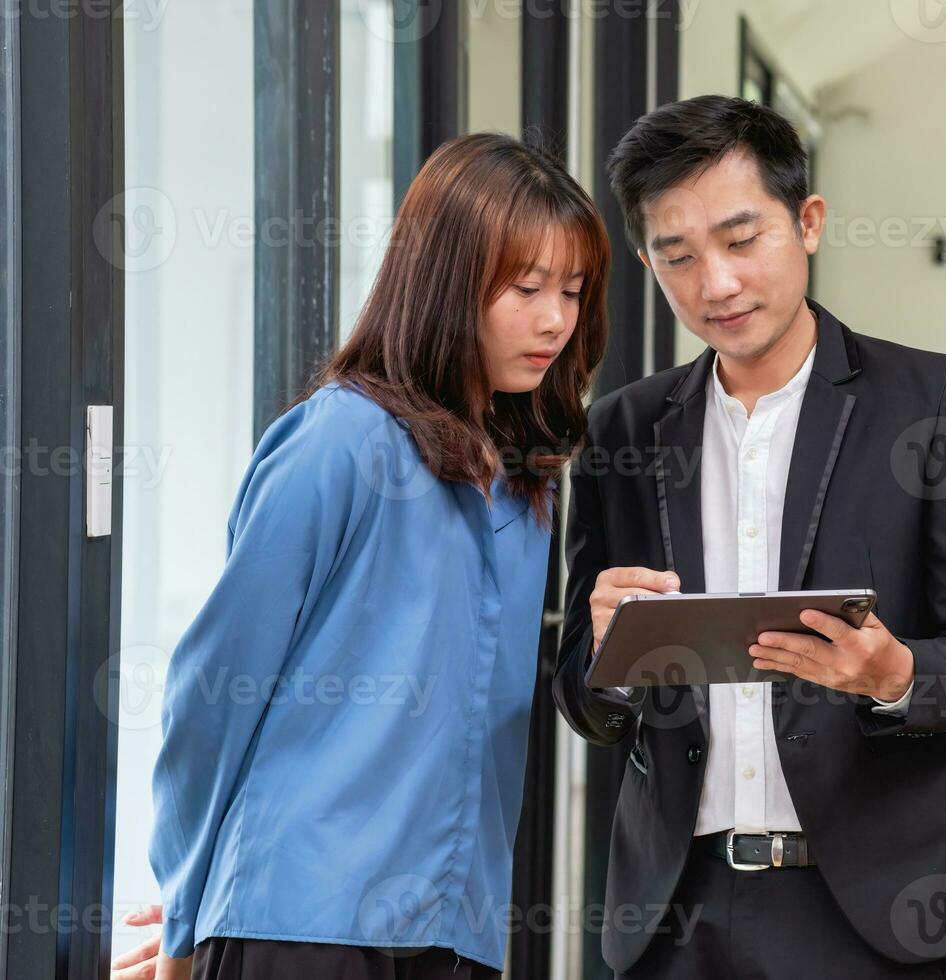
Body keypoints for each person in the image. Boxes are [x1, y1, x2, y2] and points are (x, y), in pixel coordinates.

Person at [552, 95, 946, 979]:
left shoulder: (927, 403)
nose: (715, 285)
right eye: (677, 257)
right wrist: (604, 657)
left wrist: (895, 676)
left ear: (807, 222)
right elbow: (584, 697)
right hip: (672, 914)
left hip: (864, 907)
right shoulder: (622, 430)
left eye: (741, 241)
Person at [144, 132, 609, 980]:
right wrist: (184, 922)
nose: (555, 319)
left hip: (453, 928)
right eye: (527, 286)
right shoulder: (339, 441)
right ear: (444, 281)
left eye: (573, 291)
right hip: (301, 920)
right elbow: (212, 692)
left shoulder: (525, 491)